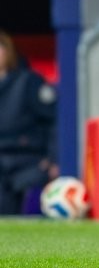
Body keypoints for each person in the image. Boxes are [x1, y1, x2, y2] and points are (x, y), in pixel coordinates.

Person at [0, 30, 58, 215]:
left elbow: (54, 122)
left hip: (28, 163)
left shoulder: (28, 82)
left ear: (7, 52)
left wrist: (53, 160)